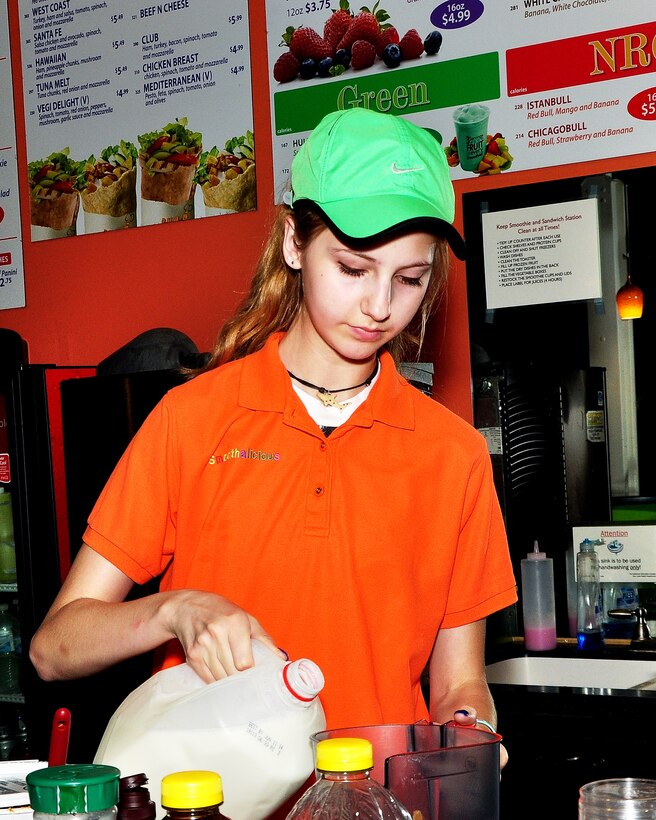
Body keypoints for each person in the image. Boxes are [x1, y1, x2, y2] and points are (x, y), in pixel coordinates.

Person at [30, 109, 517, 759]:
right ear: (294, 242)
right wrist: (174, 611)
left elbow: (459, 681)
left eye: (410, 279)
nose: (379, 307)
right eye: (352, 268)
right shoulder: (193, 420)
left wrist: (470, 734)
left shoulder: (452, 455)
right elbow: (53, 648)